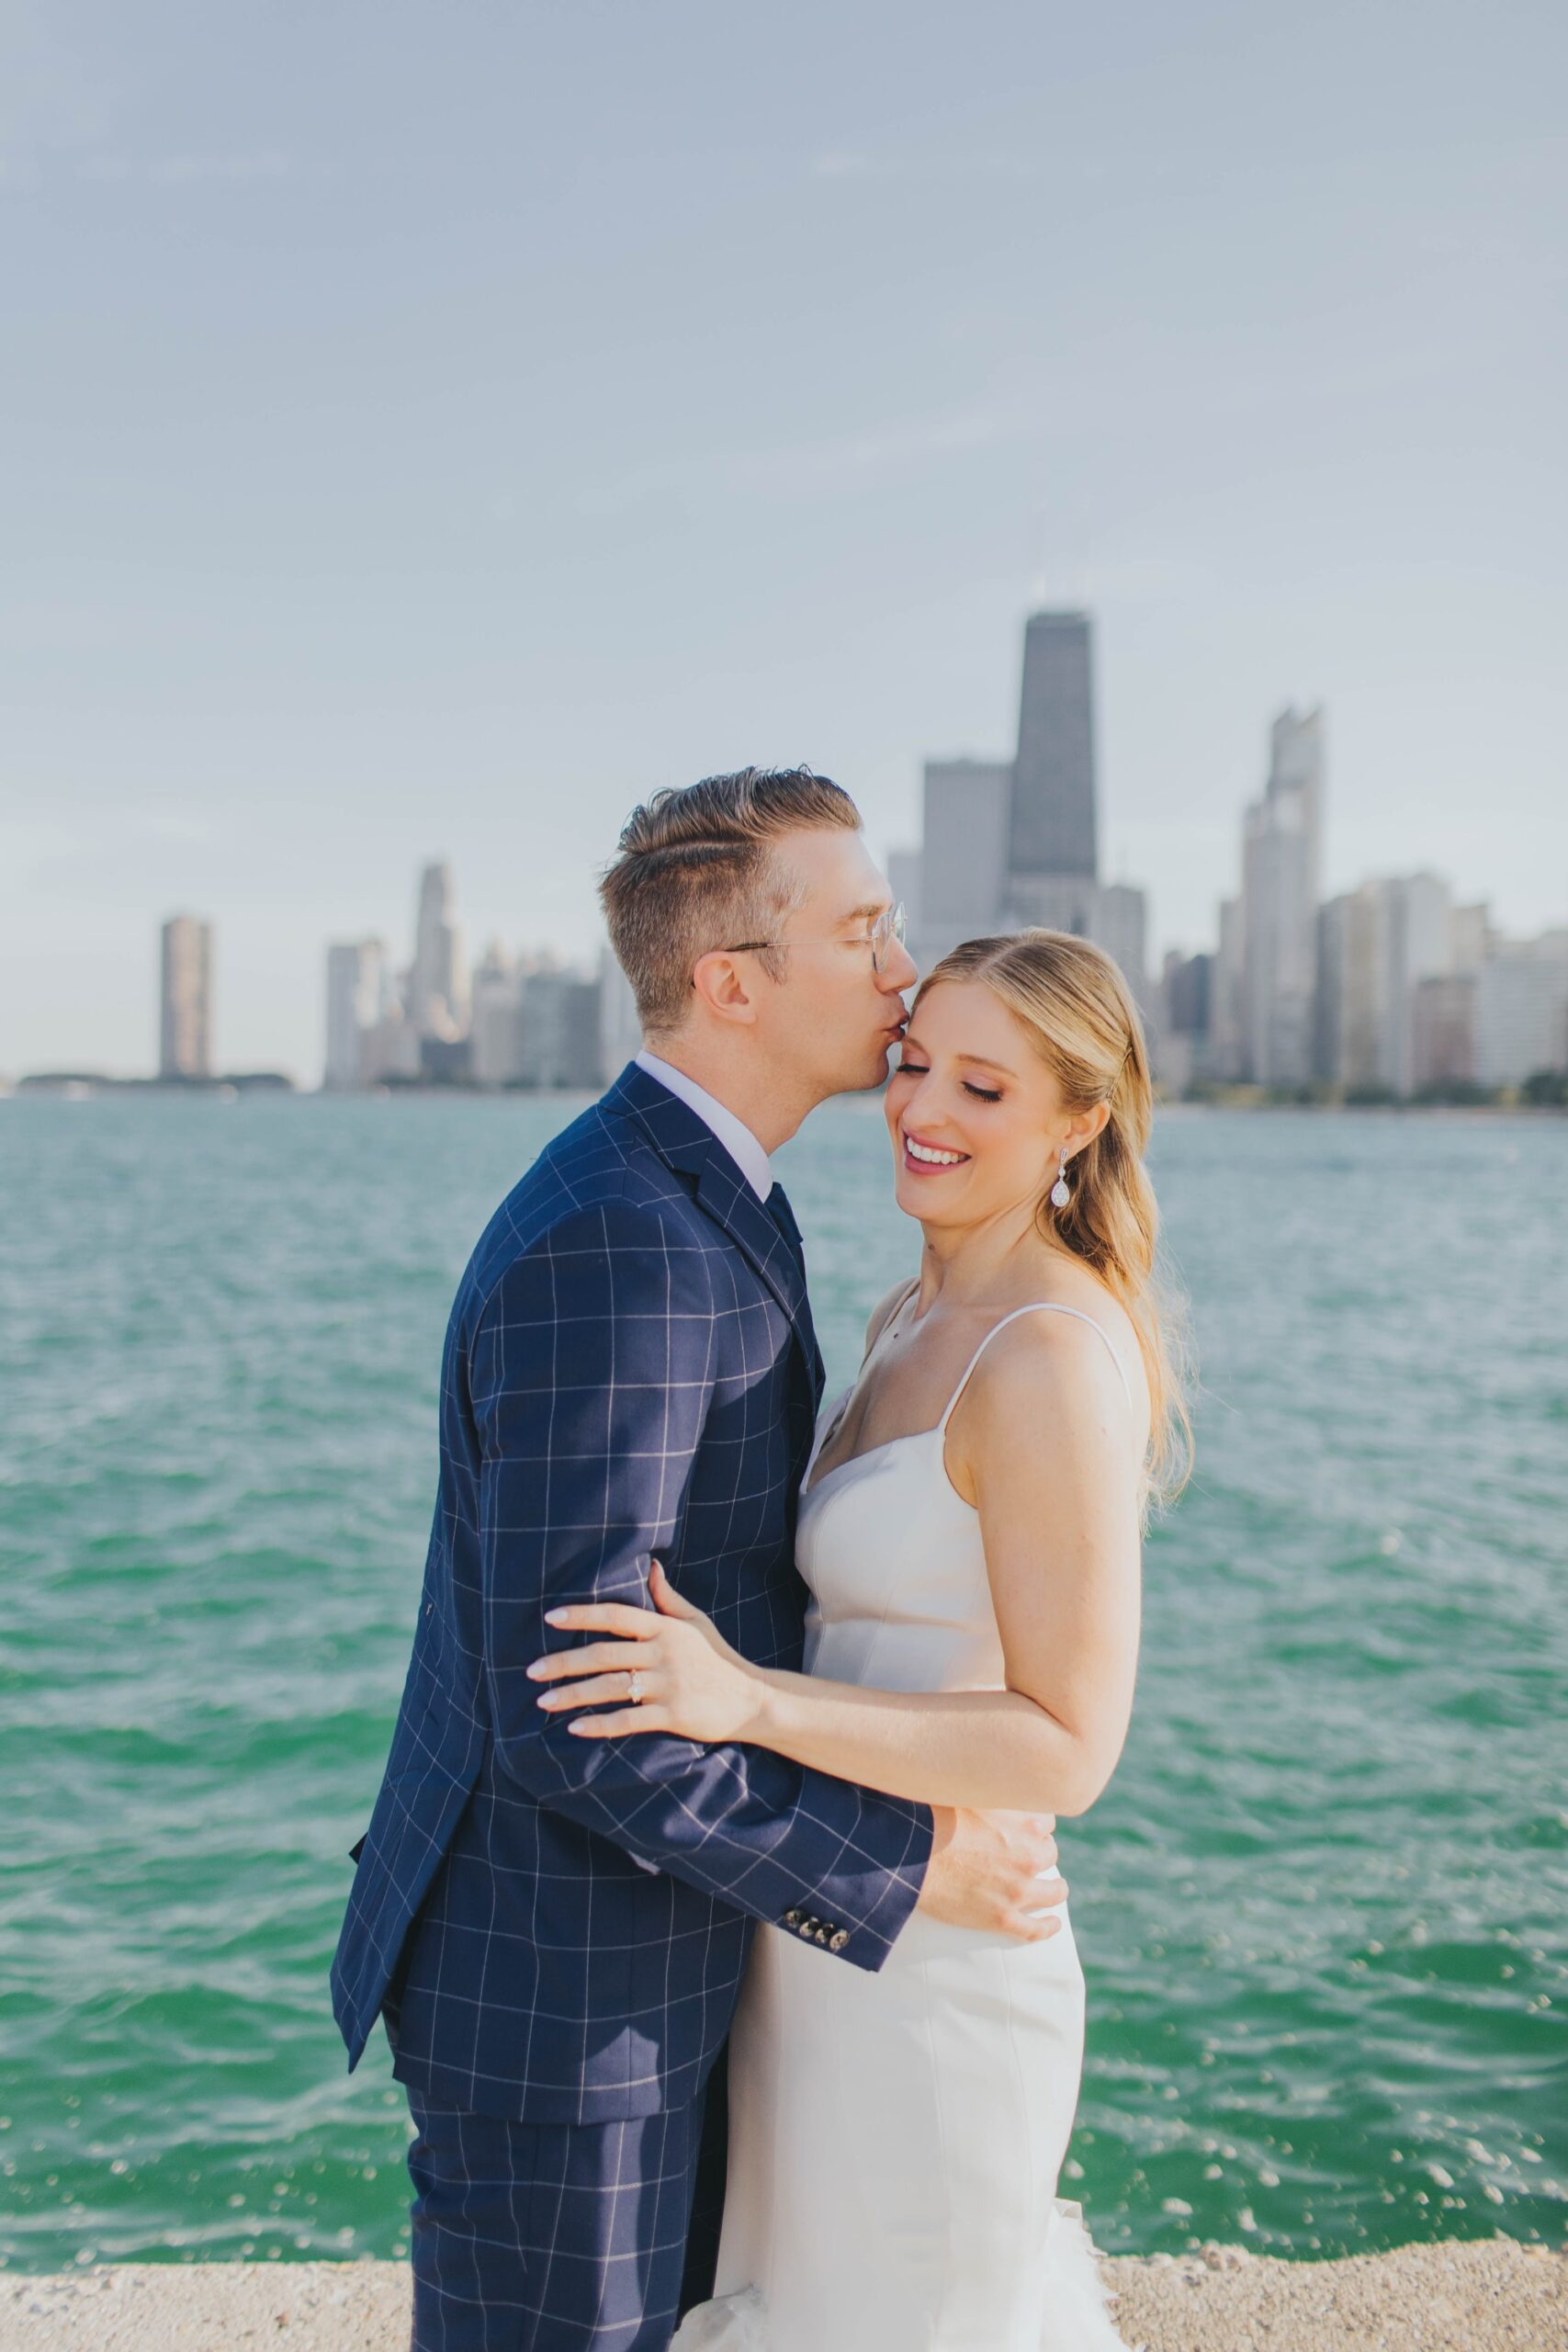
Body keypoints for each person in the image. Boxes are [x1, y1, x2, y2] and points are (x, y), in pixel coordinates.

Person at [330, 768, 1067, 2352]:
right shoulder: (630, 1244)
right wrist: (902, 1859)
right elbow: (577, 1714)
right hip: (565, 2008)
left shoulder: (706, 1195)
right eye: (863, 928)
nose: (897, 967)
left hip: (645, 1975)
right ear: (732, 981)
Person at [531, 927, 1190, 2350]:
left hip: (944, 1983)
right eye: (915, 1065)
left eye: (986, 1090)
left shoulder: (1049, 1357)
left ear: (1081, 1121)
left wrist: (744, 1703)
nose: (925, 1111)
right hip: (824, 1950)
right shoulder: (912, 1311)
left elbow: (1068, 1746)